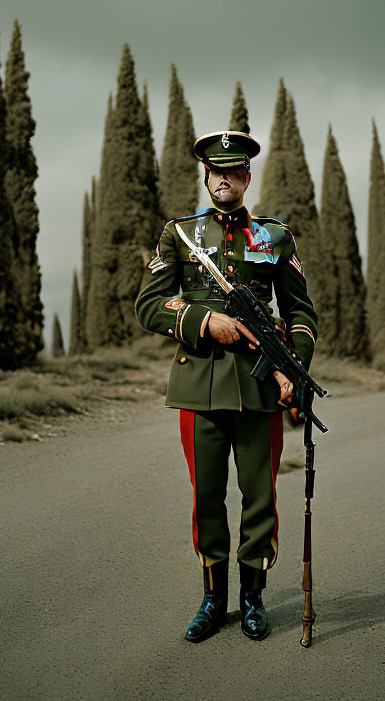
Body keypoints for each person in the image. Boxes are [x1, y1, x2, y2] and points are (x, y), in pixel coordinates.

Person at [135, 130, 318, 642]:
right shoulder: (180, 235)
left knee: (259, 497)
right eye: (214, 171)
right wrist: (201, 321)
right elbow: (149, 304)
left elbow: (300, 313)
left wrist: (292, 369)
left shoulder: (274, 237)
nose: (223, 179)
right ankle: (214, 599)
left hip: (261, 391)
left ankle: (253, 599)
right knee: (207, 497)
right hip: (199, 386)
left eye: (232, 171)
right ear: (206, 176)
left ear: (246, 176)